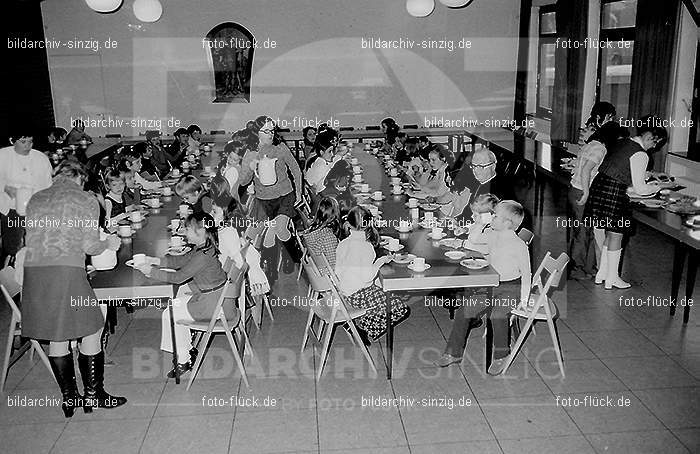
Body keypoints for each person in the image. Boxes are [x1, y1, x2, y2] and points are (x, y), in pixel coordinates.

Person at [22, 160, 126, 416]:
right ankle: (94, 395)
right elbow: (91, 246)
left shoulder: (36, 199)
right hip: (66, 273)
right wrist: (110, 244)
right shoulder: (85, 199)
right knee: (91, 329)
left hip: (35, 275)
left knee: (59, 336)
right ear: (80, 179)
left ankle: (70, 399)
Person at [134, 212, 238, 377]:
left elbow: (178, 277)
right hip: (215, 300)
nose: (183, 231)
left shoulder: (202, 256)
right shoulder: (204, 248)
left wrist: (151, 272)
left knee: (170, 314)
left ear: (201, 232)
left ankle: (184, 359)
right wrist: (154, 261)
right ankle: (187, 353)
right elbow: (179, 261)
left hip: (213, 306)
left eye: (187, 229)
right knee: (172, 308)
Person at [436, 200, 531, 375]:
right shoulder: (493, 234)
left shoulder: (519, 245)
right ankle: (453, 352)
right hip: (490, 284)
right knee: (464, 309)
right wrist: (481, 222)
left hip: (511, 287)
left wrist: (524, 300)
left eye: (495, 216)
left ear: (507, 223)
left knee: (498, 314)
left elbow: (526, 274)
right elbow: (475, 239)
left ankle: (501, 355)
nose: (492, 217)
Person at [584, 115, 667, 289]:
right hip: (614, 192)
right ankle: (612, 279)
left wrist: (648, 176)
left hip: (600, 187)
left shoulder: (622, 142)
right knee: (617, 234)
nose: (653, 148)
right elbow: (640, 189)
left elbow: (621, 166)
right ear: (652, 137)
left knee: (609, 233)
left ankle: (602, 274)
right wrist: (659, 187)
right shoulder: (640, 153)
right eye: (655, 144)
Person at [239, 116, 303, 280]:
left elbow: (296, 170)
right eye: (266, 131)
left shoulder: (280, 147)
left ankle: (295, 257)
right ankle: (270, 265)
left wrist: (298, 192)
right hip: (263, 199)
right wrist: (250, 168)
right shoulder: (251, 152)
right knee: (259, 233)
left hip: (284, 195)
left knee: (279, 228)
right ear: (257, 133)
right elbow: (244, 181)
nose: (271, 134)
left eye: (272, 130)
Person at [570, 103, 629, 279]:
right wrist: (587, 193)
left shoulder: (592, 143)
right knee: (583, 232)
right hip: (582, 190)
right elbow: (587, 170)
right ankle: (578, 268)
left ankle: (588, 268)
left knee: (584, 231)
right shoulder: (599, 148)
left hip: (576, 188)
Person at [335, 206, 409, 341]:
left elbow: (341, 271)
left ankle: (363, 320)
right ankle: (361, 327)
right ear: (369, 223)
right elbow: (367, 276)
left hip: (344, 291)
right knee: (400, 307)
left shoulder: (343, 243)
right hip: (357, 295)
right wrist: (381, 261)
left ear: (349, 223)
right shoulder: (365, 247)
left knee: (384, 290)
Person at [0, 130, 53, 265]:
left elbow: (48, 185)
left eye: (30, 141)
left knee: (37, 244)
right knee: (14, 245)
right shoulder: (3, 156)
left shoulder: (40, 158)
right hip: (11, 208)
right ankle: (11, 271)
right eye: (23, 142)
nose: (28, 146)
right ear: (12, 141)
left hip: (36, 208)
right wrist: (4, 187)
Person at [212, 195, 269, 317]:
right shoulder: (227, 229)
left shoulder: (227, 233)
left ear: (226, 214)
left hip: (223, 274)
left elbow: (237, 261)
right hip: (228, 270)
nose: (211, 215)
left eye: (215, 212)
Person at [302, 197, 342, 275]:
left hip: (318, 272)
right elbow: (334, 264)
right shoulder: (329, 237)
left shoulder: (311, 231)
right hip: (329, 274)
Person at [305, 128, 341, 193]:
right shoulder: (320, 164)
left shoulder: (319, 159)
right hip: (321, 196)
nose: (332, 154)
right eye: (330, 151)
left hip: (318, 192)